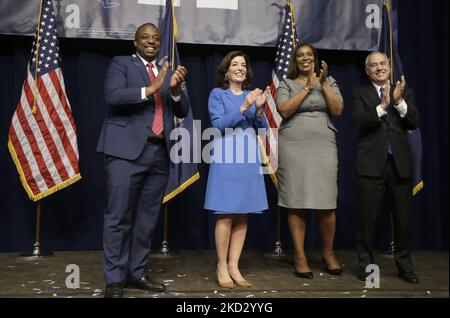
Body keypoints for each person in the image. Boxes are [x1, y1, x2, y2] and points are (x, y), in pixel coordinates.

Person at [97, 23, 189, 298]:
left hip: (159, 153)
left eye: (155, 38)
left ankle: (136, 273)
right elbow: (112, 97)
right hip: (125, 153)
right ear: (135, 43)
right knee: (118, 216)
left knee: (147, 220)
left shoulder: (168, 73)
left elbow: (182, 108)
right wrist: (151, 89)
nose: (151, 41)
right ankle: (114, 279)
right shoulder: (121, 63)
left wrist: (174, 90)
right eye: (145, 38)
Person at [275, 43, 344, 279]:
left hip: (323, 143)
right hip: (293, 145)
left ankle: (328, 253)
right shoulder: (286, 83)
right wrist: (307, 88)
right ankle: (300, 256)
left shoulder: (329, 81)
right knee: (297, 199)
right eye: (300, 55)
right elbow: (283, 110)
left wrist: (322, 84)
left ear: (315, 59)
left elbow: (337, 109)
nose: (305, 58)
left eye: (309, 55)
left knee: (326, 200)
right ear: (295, 60)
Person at [351, 51, 420, 284]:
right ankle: (368, 268)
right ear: (367, 69)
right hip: (371, 165)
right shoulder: (359, 93)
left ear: (389, 66)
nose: (379, 68)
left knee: (403, 221)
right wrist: (381, 106)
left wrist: (399, 102)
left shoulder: (405, 90)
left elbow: (414, 121)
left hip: (399, 165)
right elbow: (358, 122)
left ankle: (405, 266)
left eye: (383, 63)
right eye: (374, 65)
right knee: (368, 221)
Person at [204, 51, 270, 289]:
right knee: (226, 213)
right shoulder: (218, 94)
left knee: (243, 213)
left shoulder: (251, 94)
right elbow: (218, 125)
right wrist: (245, 105)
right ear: (226, 70)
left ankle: (234, 265)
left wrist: (260, 109)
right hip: (227, 155)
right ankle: (221, 265)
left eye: (243, 64)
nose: (240, 67)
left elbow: (261, 127)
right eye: (235, 64)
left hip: (249, 157)